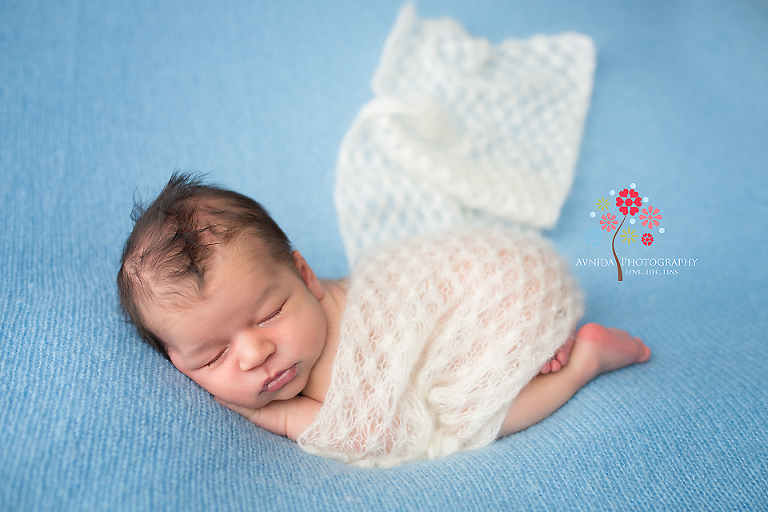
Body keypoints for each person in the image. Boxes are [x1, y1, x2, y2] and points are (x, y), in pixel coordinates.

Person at [118, 173, 651, 465]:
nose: (256, 354)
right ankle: (533, 346)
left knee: (468, 420)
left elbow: (379, 432)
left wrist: (274, 418)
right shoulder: (290, 330)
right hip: (489, 284)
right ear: (176, 361)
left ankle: (581, 361)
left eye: (270, 313)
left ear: (305, 275)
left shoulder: (339, 353)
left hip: (492, 279)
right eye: (212, 355)